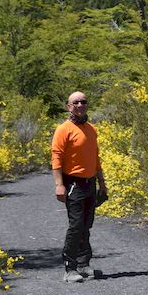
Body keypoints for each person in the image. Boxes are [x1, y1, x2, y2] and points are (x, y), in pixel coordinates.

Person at [52, 91, 108, 283]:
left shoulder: (91, 129)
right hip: (73, 183)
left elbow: (96, 158)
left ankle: (84, 264)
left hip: (90, 182)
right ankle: (70, 268)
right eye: (76, 102)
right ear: (69, 107)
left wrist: (102, 183)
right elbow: (56, 158)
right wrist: (59, 185)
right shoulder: (63, 129)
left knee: (86, 225)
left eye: (84, 101)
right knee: (76, 226)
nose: (80, 105)